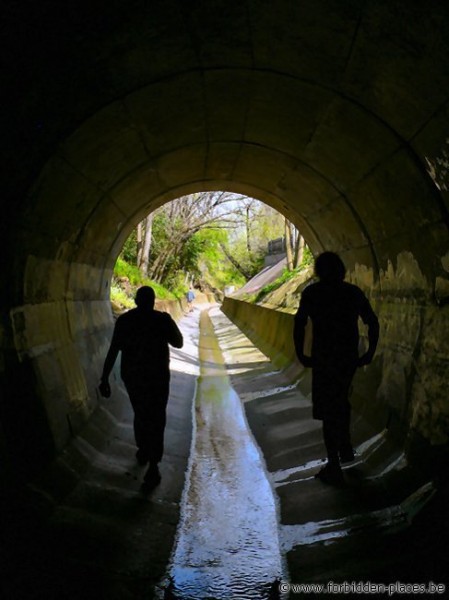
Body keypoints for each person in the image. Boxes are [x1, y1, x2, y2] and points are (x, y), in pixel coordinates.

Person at [293, 252, 379, 485]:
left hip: (323, 359)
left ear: (319, 271)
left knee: (328, 409)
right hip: (347, 358)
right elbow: (372, 321)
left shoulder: (313, 293)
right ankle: (346, 445)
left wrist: (301, 353)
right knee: (341, 399)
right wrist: (369, 352)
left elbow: (299, 323)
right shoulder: (352, 292)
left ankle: (334, 464)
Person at [99, 286, 183, 490]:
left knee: (141, 412)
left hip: (134, 377)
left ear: (136, 301)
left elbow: (113, 350)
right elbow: (178, 342)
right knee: (157, 417)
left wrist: (104, 378)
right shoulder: (161, 320)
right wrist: (167, 323)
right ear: (153, 301)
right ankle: (153, 465)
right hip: (158, 378)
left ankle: (143, 449)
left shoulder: (125, 320)